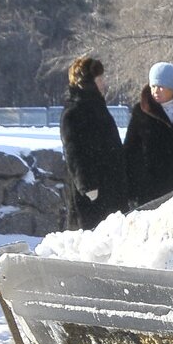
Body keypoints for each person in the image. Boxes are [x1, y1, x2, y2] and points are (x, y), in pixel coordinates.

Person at [123, 60, 173, 207]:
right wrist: (133, 189)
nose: (155, 91)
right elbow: (130, 152)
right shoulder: (140, 112)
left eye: (161, 87)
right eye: (153, 86)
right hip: (151, 191)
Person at [58, 54, 126, 230]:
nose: (103, 83)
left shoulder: (97, 107)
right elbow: (73, 152)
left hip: (110, 188)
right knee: (92, 243)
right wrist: (87, 185)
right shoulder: (73, 113)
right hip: (92, 195)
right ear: (87, 81)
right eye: (99, 78)